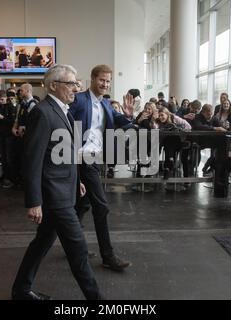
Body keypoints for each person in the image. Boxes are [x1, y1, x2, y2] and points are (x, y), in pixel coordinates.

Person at [12, 64, 103, 300]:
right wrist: (33, 202)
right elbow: (32, 160)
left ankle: (21, 291)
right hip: (54, 196)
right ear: (54, 85)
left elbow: (63, 153)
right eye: (71, 84)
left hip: (64, 189)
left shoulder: (62, 111)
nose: (76, 88)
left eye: (76, 83)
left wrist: (76, 182)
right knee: (78, 251)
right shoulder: (42, 113)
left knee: (41, 243)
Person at [69, 64, 134, 272]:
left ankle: (73, 246)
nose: (105, 84)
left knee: (83, 205)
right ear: (92, 79)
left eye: (108, 81)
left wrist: (130, 115)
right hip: (81, 158)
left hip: (96, 159)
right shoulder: (79, 99)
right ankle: (108, 256)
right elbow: (63, 122)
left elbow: (119, 121)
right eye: (102, 80)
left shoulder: (106, 104)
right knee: (101, 206)